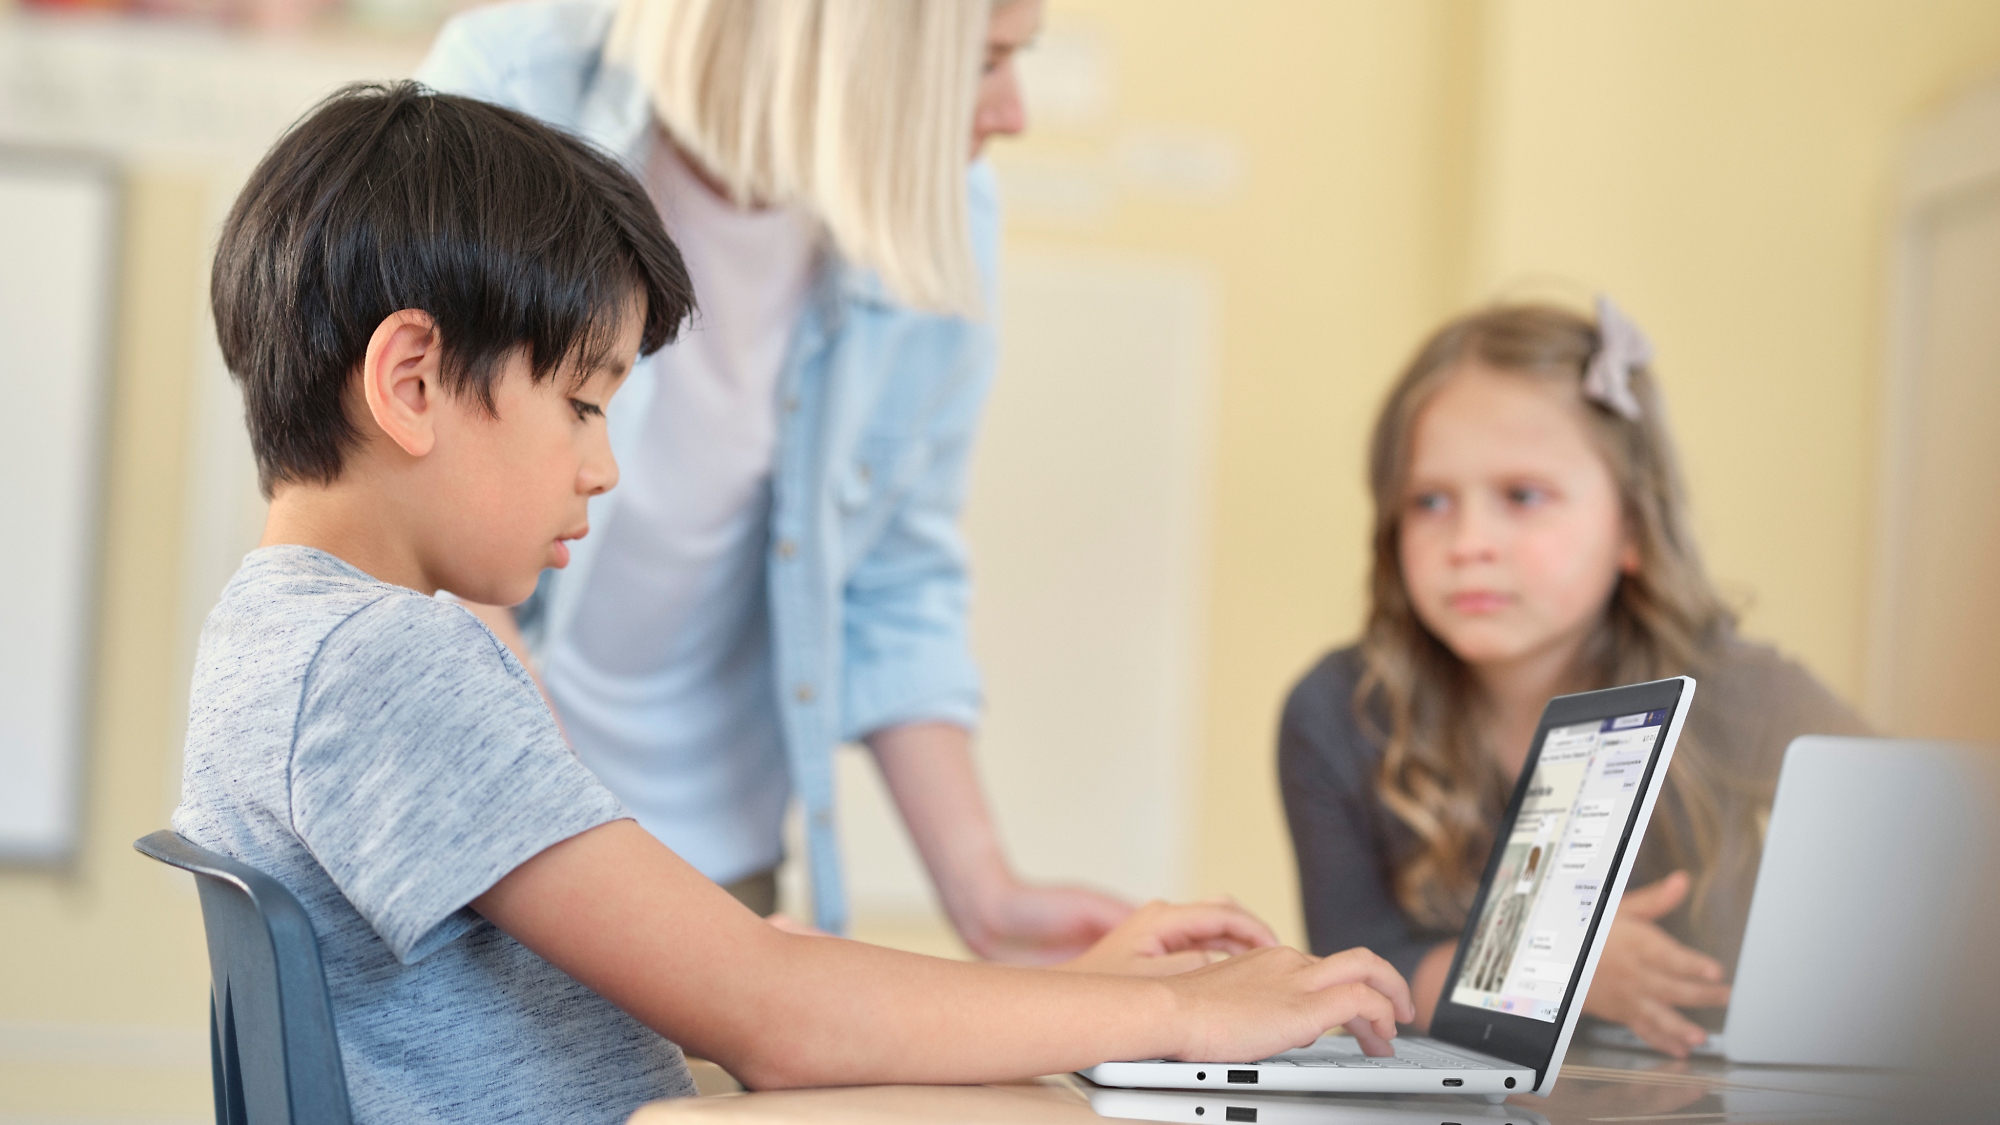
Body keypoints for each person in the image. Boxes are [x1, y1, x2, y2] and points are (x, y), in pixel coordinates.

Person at [176, 82, 1414, 1124]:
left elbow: (732, 967)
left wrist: (1071, 995)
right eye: (584, 404)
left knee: (1036, 1083)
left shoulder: (283, 634)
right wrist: (1177, 1012)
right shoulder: (390, 661)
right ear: (412, 379)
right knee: (1061, 1104)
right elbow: (769, 1014)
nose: (602, 466)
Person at [410, 0, 1119, 956]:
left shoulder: (944, 206)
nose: (1013, 112)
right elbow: (426, 530)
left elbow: (892, 570)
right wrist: (599, 865)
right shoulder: (512, 88)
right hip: (504, 844)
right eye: (986, 62)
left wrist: (986, 894)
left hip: (726, 859)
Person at [1277, 300, 1868, 1058]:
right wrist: (1553, 967)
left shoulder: (1745, 694)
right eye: (1429, 501)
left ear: (1632, 527)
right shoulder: (1336, 713)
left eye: (1523, 496)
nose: (1469, 543)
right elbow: (1356, 975)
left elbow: (1929, 854)